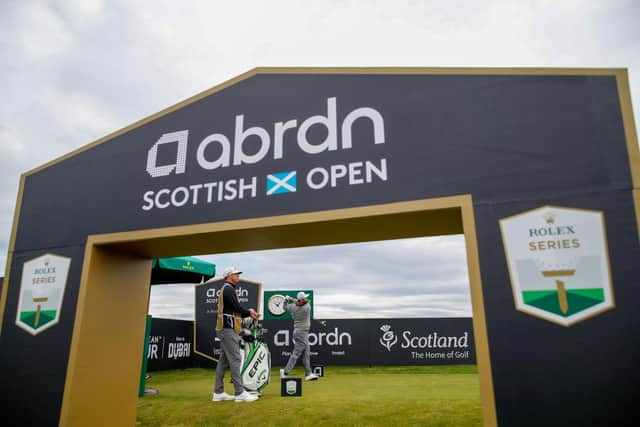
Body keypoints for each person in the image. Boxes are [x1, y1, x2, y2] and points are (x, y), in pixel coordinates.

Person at [212, 266, 259, 402]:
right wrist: (250, 312)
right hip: (227, 329)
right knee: (236, 359)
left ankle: (218, 392)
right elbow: (237, 308)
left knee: (223, 361)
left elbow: (236, 310)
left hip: (226, 328)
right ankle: (239, 393)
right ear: (229, 276)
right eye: (236, 274)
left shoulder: (228, 289)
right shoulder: (228, 289)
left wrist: (249, 312)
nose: (238, 276)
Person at [280, 291, 319, 381]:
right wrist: (292, 299)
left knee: (306, 353)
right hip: (301, 333)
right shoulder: (306, 307)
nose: (306, 299)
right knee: (296, 353)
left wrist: (286, 300)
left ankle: (308, 374)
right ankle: (285, 371)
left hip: (299, 332)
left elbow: (285, 308)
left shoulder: (293, 307)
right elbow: (300, 303)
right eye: (304, 298)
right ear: (301, 300)